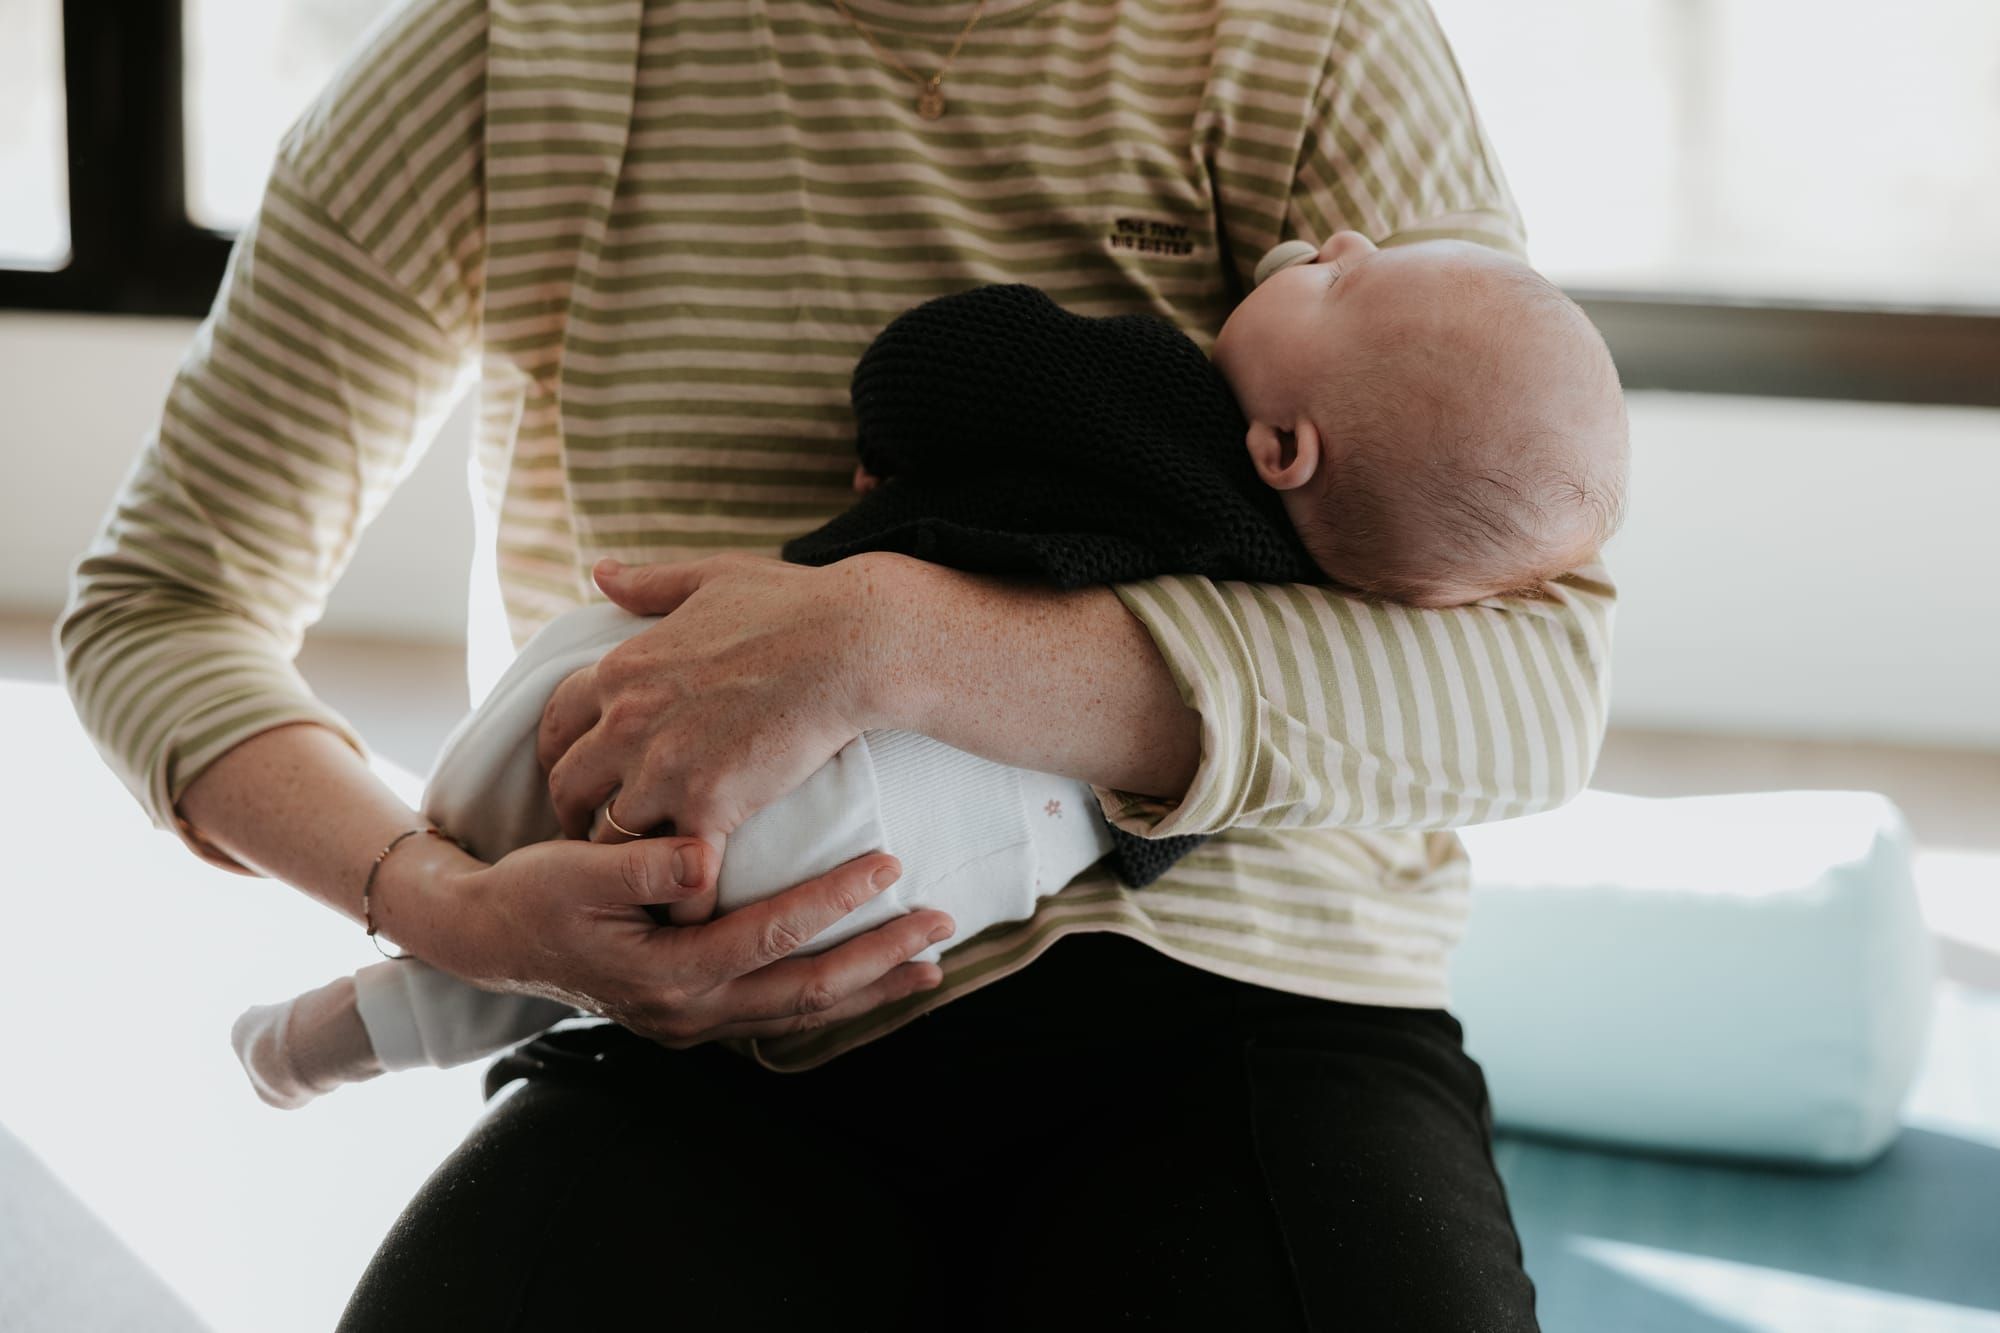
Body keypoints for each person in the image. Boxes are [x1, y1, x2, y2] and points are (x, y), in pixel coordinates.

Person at [59, 0, 1616, 1324]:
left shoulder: (1302, 35)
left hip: (1250, 998)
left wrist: (899, 641)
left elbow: (1533, 682)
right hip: (704, 1007)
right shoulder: (513, 52)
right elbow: (162, 604)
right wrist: (446, 907)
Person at [229, 241, 1627, 1109]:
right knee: (629, 919)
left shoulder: (1159, 400)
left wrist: (891, 550)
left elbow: (942, 360)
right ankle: (391, 1006)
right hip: (947, 871)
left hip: (751, 732)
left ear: (1283, 448)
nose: (1340, 239)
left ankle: (406, 971)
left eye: (1345, 279)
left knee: (561, 776)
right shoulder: (1342, 589)